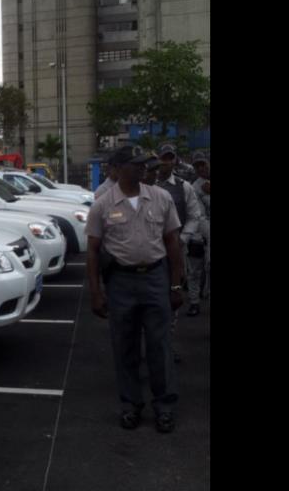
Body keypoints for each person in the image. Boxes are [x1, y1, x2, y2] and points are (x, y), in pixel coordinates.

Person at [86, 145, 184, 434]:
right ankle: (131, 405)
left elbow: (173, 243)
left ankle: (164, 407)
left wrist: (175, 284)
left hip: (155, 278)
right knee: (125, 346)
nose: (143, 168)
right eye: (136, 163)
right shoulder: (102, 204)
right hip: (121, 282)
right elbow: (92, 251)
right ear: (116, 169)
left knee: (159, 346)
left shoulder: (161, 197)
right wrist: (96, 292)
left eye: (144, 163)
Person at [157, 144, 204, 330]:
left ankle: (169, 331)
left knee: (174, 286)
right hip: (152, 246)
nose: (167, 162)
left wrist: (183, 239)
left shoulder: (184, 186)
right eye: (164, 158)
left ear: (175, 160)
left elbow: (194, 216)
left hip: (176, 246)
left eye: (170, 158)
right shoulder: (148, 184)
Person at [191, 152, 211, 300]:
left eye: (203, 164)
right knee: (200, 268)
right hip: (204, 232)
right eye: (197, 166)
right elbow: (200, 216)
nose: (200, 168)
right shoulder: (195, 187)